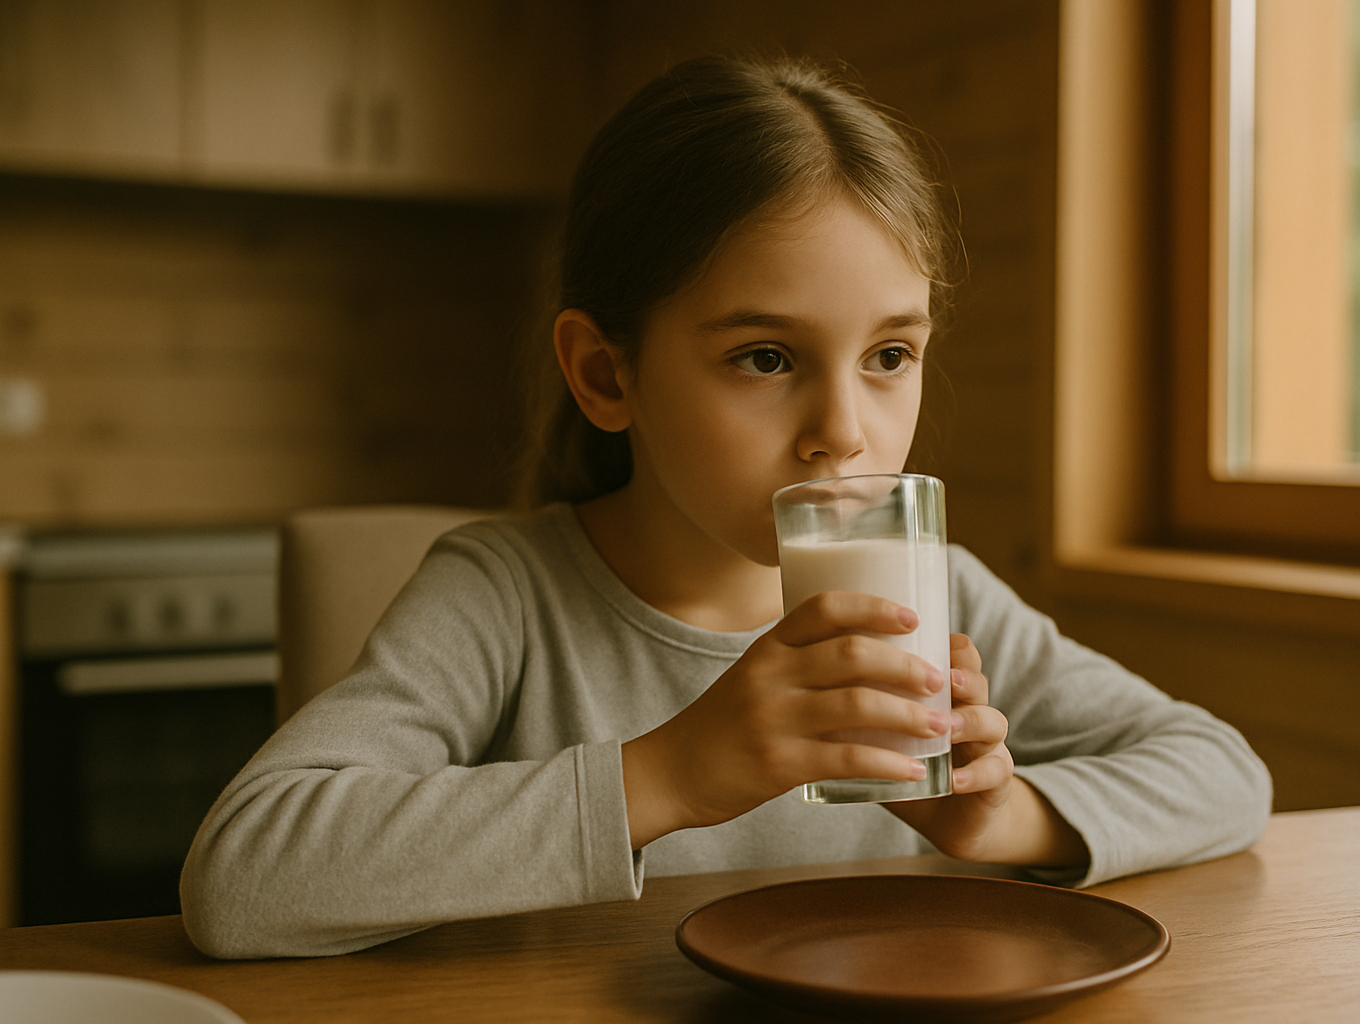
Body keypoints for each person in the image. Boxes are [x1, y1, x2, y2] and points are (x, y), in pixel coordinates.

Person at [180, 54, 1271, 959]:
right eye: (765, 356)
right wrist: (669, 772)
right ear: (609, 376)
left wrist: (1008, 814)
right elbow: (243, 877)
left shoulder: (936, 597)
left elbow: (1225, 769)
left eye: (891, 353)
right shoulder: (506, 597)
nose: (845, 428)